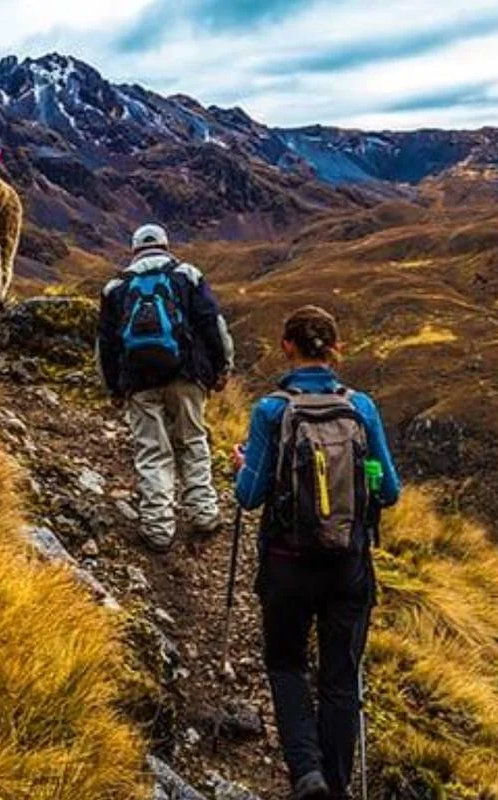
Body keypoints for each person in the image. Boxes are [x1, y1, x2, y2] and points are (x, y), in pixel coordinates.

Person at [231, 306, 401, 800]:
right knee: (340, 675)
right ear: (334, 347)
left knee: (285, 664)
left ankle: (307, 774)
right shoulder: (362, 408)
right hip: (348, 564)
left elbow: (248, 497)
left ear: (287, 346)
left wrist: (243, 465)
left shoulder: (270, 411)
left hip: (287, 563)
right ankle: (340, 784)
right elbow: (388, 491)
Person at [99, 224, 234, 552]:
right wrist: (221, 367)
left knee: (152, 451)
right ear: (165, 246)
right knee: (192, 441)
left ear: (134, 250)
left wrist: (114, 387)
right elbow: (212, 325)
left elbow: (106, 344)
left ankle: (158, 528)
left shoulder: (115, 287)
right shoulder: (187, 275)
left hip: (138, 381)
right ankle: (203, 513)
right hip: (186, 375)